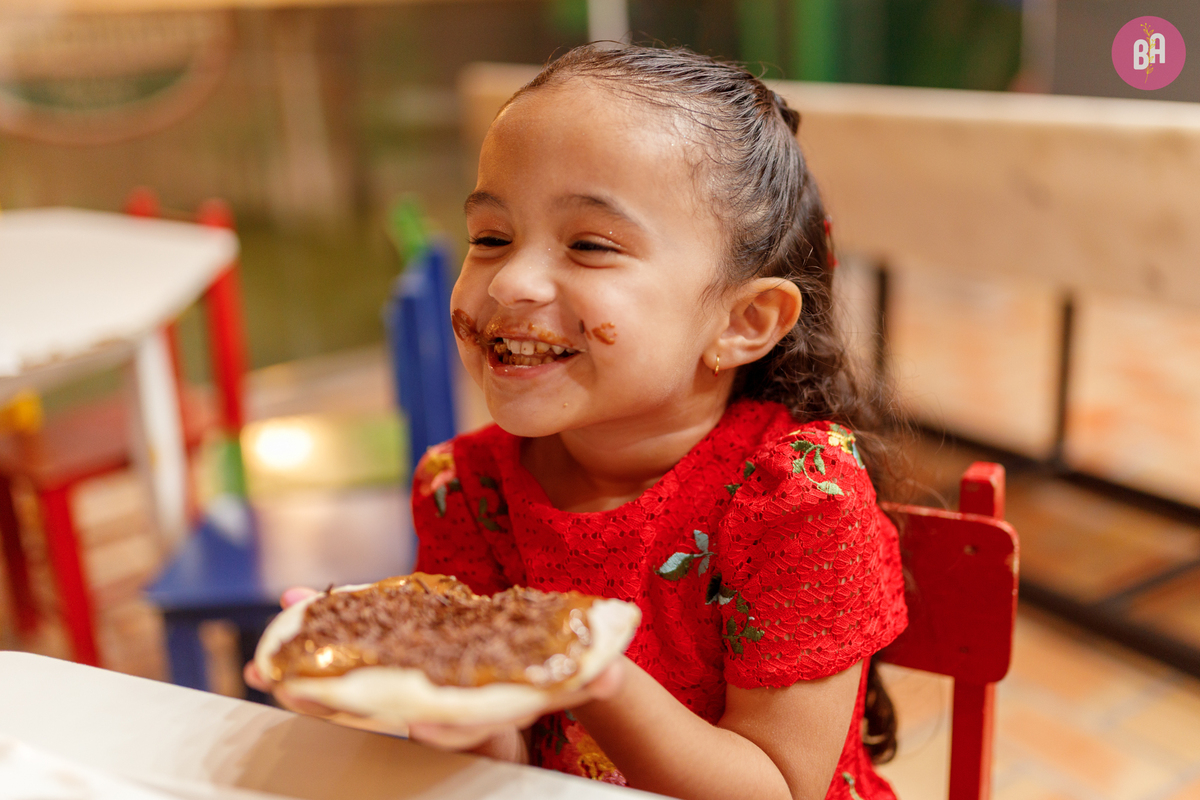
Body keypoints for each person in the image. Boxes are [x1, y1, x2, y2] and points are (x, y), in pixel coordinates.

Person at [250, 44, 907, 800]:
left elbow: (776, 788)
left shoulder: (799, 497)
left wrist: (587, 671)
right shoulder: (464, 488)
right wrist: (432, 696)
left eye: (590, 245)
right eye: (490, 237)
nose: (513, 281)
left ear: (745, 321)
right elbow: (504, 763)